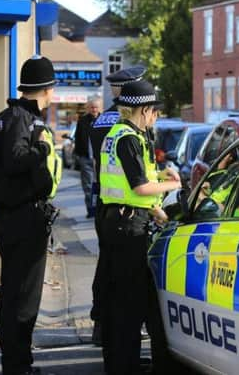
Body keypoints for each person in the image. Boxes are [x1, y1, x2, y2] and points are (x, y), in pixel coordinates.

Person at [0, 55, 62, 375]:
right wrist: (42, 149)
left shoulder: (4, 117)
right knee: (23, 297)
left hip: (12, 215)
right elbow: (16, 160)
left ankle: (17, 362)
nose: (54, 94)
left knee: (14, 291)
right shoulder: (22, 120)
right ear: (46, 89)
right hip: (23, 216)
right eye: (53, 87)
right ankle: (18, 365)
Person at [98, 79, 181, 375]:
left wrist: (157, 203)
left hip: (118, 221)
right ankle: (124, 365)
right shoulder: (129, 138)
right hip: (127, 227)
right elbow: (140, 186)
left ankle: (125, 362)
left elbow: (130, 178)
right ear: (143, 111)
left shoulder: (118, 134)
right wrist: (172, 183)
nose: (156, 117)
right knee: (128, 303)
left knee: (127, 298)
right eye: (154, 111)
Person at [88, 65, 146, 344]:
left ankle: (101, 323)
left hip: (105, 203)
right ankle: (121, 331)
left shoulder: (100, 121)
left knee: (106, 263)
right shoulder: (127, 127)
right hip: (128, 207)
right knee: (124, 274)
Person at [75, 96, 100, 218]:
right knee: (88, 186)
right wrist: (79, 156)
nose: (94, 109)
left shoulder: (103, 120)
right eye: (91, 107)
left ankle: (100, 209)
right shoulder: (82, 121)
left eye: (96, 107)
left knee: (100, 185)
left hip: (100, 159)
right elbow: (78, 139)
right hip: (86, 158)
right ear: (88, 108)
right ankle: (90, 210)